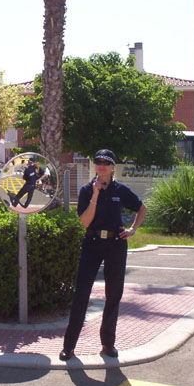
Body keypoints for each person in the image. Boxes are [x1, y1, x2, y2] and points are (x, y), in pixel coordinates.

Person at [59, 149, 147, 361]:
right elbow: (85, 222)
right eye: (98, 162)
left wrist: (133, 230)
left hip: (116, 245)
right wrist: (96, 194)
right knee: (81, 294)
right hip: (92, 243)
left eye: (106, 163)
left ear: (112, 166)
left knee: (113, 295)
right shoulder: (86, 190)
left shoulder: (121, 190)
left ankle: (108, 343)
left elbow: (141, 208)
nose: (101, 165)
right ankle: (69, 347)